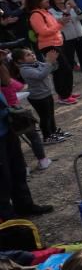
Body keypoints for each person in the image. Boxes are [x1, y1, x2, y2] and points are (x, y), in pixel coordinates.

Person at [0, 89, 53, 218]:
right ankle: (7, 216)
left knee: (18, 170)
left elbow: (7, 82)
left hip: (6, 129)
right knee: (2, 178)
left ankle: (25, 206)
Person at [24, 0, 76, 104]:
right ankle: (64, 96)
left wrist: (62, 18)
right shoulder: (36, 15)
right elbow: (43, 31)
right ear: (36, 1)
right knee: (63, 70)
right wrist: (60, 23)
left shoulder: (45, 12)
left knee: (62, 70)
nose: (47, 0)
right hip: (49, 45)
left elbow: (54, 26)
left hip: (56, 43)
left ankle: (66, 93)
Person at [15, 48, 65, 144]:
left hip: (46, 93)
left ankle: (54, 132)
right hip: (38, 97)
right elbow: (40, 75)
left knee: (50, 115)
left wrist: (53, 61)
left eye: (32, 53)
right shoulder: (25, 70)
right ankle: (47, 137)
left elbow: (52, 69)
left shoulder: (37, 63)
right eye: (28, 55)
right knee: (45, 117)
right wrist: (48, 62)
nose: (33, 55)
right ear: (20, 60)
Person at [49, 0, 82, 80]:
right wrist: (67, 10)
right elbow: (63, 20)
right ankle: (70, 80)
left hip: (80, 35)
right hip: (66, 38)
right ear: (52, 0)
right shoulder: (51, 12)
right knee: (69, 60)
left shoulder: (72, 7)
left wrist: (75, 7)